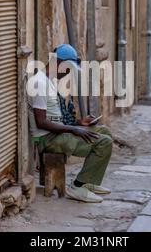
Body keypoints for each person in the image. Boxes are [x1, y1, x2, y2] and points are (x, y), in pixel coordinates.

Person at [28, 44, 113, 204]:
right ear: (58, 63)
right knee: (103, 142)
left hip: (58, 133)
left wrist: (79, 123)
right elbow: (41, 122)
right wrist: (74, 129)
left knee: (104, 131)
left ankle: (89, 182)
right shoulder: (39, 83)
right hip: (48, 139)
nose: (68, 73)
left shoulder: (50, 81)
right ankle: (78, 186)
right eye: (68, 69)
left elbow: (54, 117)